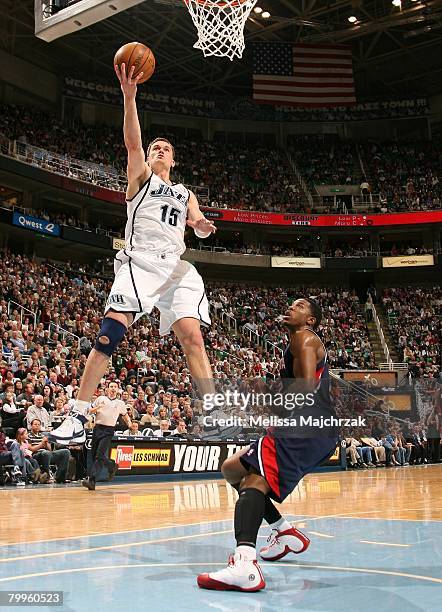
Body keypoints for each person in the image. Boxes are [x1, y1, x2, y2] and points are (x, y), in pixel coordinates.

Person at [49, 62, 217, 446]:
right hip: (139, 261)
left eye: (166, 149)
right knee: (110, 333)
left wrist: (203, 226)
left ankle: (213, 414)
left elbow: (197, 219)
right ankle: (77, 414)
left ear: (173, 161)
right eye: (156, 146)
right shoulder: (140, 180)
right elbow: (132, 144)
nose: (159, 150)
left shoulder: (184, 192)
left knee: (192, 337)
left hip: (174, 267)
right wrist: (129, 98)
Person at [197, 298, 338, 592]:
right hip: (308, 426)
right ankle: (284, 531)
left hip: (308, 425)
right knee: (233, 469)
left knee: (254, 479)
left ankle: (245, 565)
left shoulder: (304, 337)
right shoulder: (295, 344)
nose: (291, 308)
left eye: (299, 306)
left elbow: (307, 391)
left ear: (311, 320)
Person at [82, 381, 132, 491]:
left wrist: (129, 423)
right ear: (107, 389)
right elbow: (89, 411)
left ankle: (92, 480)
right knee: (96, 454)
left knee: (99, 454)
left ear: (118, 390)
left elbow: (125, 415)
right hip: (97, 428)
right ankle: (111, 465)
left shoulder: (120, 403)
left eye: (115, 387)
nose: (113, 388)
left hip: (109, 430)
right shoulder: (101, 399)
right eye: (111, 387)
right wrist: (97, 408)